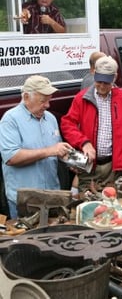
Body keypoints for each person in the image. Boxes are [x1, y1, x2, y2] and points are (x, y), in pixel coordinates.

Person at [60, 56, 122, 192]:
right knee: (87, 205)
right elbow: (67, 124)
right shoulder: (82, 98)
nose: (102, 86)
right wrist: (84, 143)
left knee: (113, 206)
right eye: (99, 81)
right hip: (89, 166)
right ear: (94, 74)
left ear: (114, 78)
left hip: (115, 168)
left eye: (106, 82)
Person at [0, 75, 73, 218]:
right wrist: (50, 151)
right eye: (43, 101)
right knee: (26, 239)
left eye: (49, 100)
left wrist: (68, 160)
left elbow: (54, 153)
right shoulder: (10, 120)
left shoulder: (50, 118)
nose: (47, 105)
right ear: (26, 97)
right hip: (26, 201)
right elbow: (11, 157)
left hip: (52, 196)